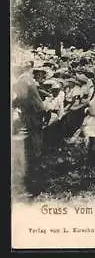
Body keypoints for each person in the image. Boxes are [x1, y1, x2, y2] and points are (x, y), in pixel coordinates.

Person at [12, 63, 49, 196]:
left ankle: (34, 184)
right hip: (35, 115)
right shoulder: (28, 80)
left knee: (33, 148)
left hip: (33, 117)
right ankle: (35, 178)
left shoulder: (23, 82)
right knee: (34, 146)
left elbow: (19, 100)